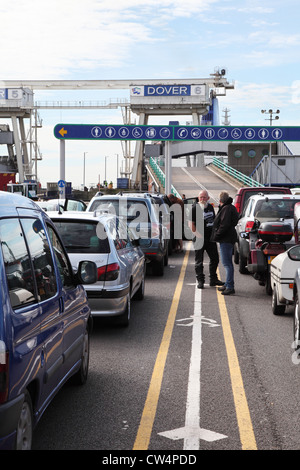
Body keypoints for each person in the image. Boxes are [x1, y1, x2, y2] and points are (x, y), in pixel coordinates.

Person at [188, 189, 224, 289]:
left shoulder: (211, 207)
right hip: (199, 238)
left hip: (210, 238)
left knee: (215, 258)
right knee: (199, 261)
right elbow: (191, 224)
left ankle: (213, 279)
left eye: (204, 197)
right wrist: (198, 235)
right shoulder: (195, 208)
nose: (202, 199)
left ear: (208, 198)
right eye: (201, 197)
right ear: (198, 198)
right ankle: (200, 280)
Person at [211, 191, 239, 295]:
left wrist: (217, 234)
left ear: (220, 200)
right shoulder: (231, 207)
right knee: (227, 263)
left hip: (225, 239)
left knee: (227, 264)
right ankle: (227, 284)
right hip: (229, 238)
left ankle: (230, 286)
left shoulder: (226, 208)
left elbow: (224, 224)